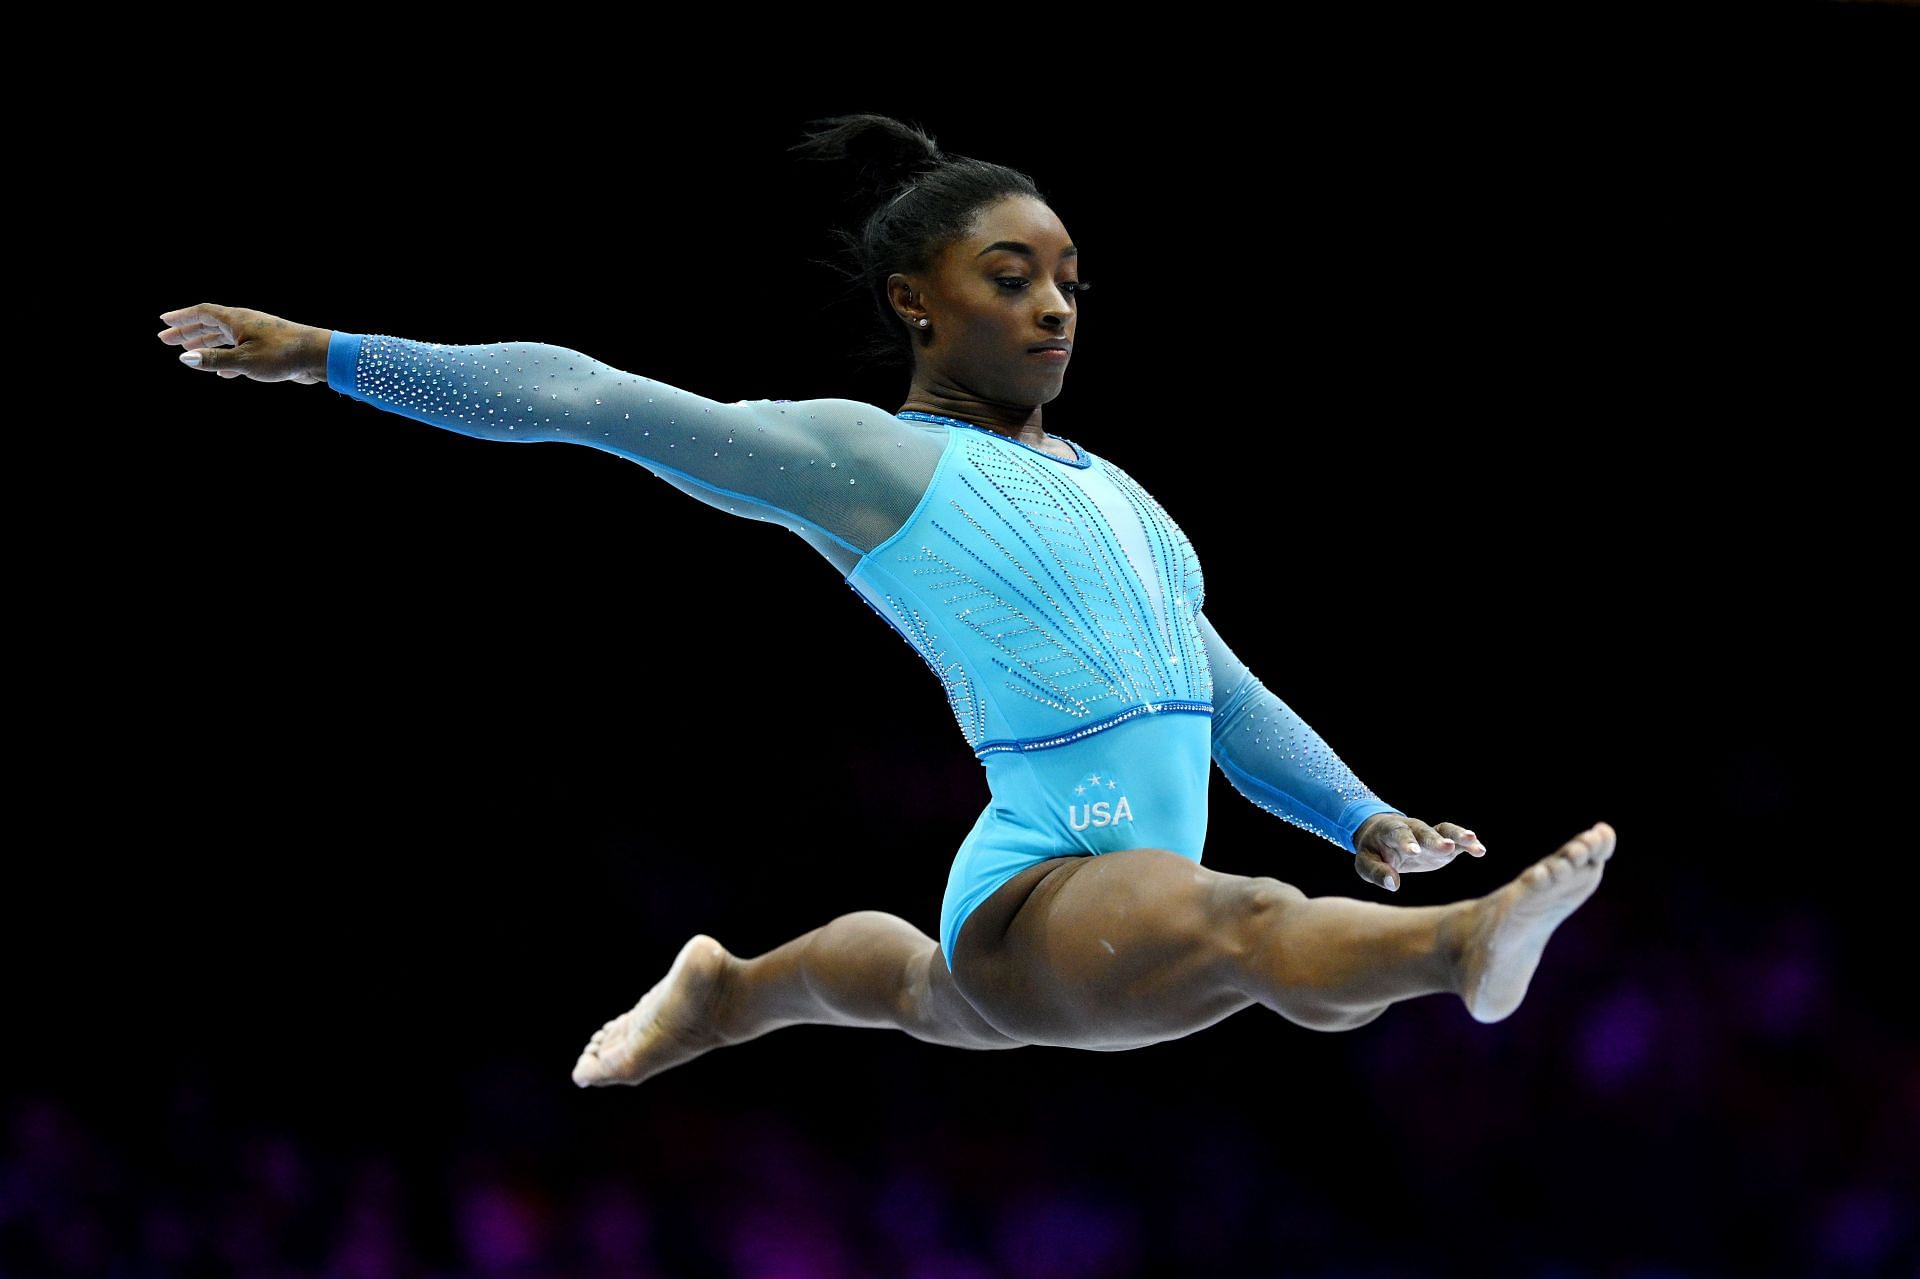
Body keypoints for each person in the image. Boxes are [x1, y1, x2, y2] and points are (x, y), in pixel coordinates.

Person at [156, 113, 1615, 1087]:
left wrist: (1359, 813)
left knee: (953, 995)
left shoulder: (1122, 492)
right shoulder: (875, 462)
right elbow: (592, 399)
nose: (1053, 306)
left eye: (1068, 282)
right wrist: (329, 353)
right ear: (917, 300)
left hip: (1058, 907)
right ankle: (1460, 946)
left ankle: (731, 990)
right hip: (1059, 885)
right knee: (1251, 933)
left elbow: (1215, 687)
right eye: (1009, 276)